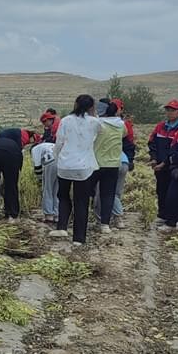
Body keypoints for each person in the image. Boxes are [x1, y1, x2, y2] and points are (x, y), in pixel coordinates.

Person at [50, 95, 102, 246]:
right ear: (91, 107)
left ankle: (62, 227)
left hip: (65, 165)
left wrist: (57, 156)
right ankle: (79, 238)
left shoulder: (66, 120)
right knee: (81, 201)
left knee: (63, 196)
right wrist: (93, 114)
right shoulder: (94, 122)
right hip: (84, 167)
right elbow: (97, 133)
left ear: (75, 104)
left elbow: (59, 142)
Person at [0, 128, 38, 222]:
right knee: (11, 185)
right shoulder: (16, 145)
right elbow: (18, 166)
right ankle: (11, 215)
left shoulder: (2, 138)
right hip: (11, 154)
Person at [92, 100, 127, 234]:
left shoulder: (98, 123)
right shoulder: (121, 125)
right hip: (113, 164)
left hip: (97, 163)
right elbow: (124, 135)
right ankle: (105, 224)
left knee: (89, 192)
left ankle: (90, 218)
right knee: (109, 195)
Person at [148, 99, 178, 225]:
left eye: (172, 110)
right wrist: (153, 158)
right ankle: (162, 214)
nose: (169, 113)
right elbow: (152, 143)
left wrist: (165, 162)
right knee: (161, 190)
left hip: (174, 166)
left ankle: (176, 217)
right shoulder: (160, 126)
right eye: (167, 110)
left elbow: (176, 149)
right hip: (159, 166)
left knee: (174, 193)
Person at [31, 138, 59, 222]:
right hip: (62, 162)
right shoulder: (48, 145)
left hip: (50, 162)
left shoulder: (34, 149)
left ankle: (49, 215)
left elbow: (37, 167)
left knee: (48, 189)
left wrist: (40, 180)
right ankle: (57, 215)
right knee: (57, 190)